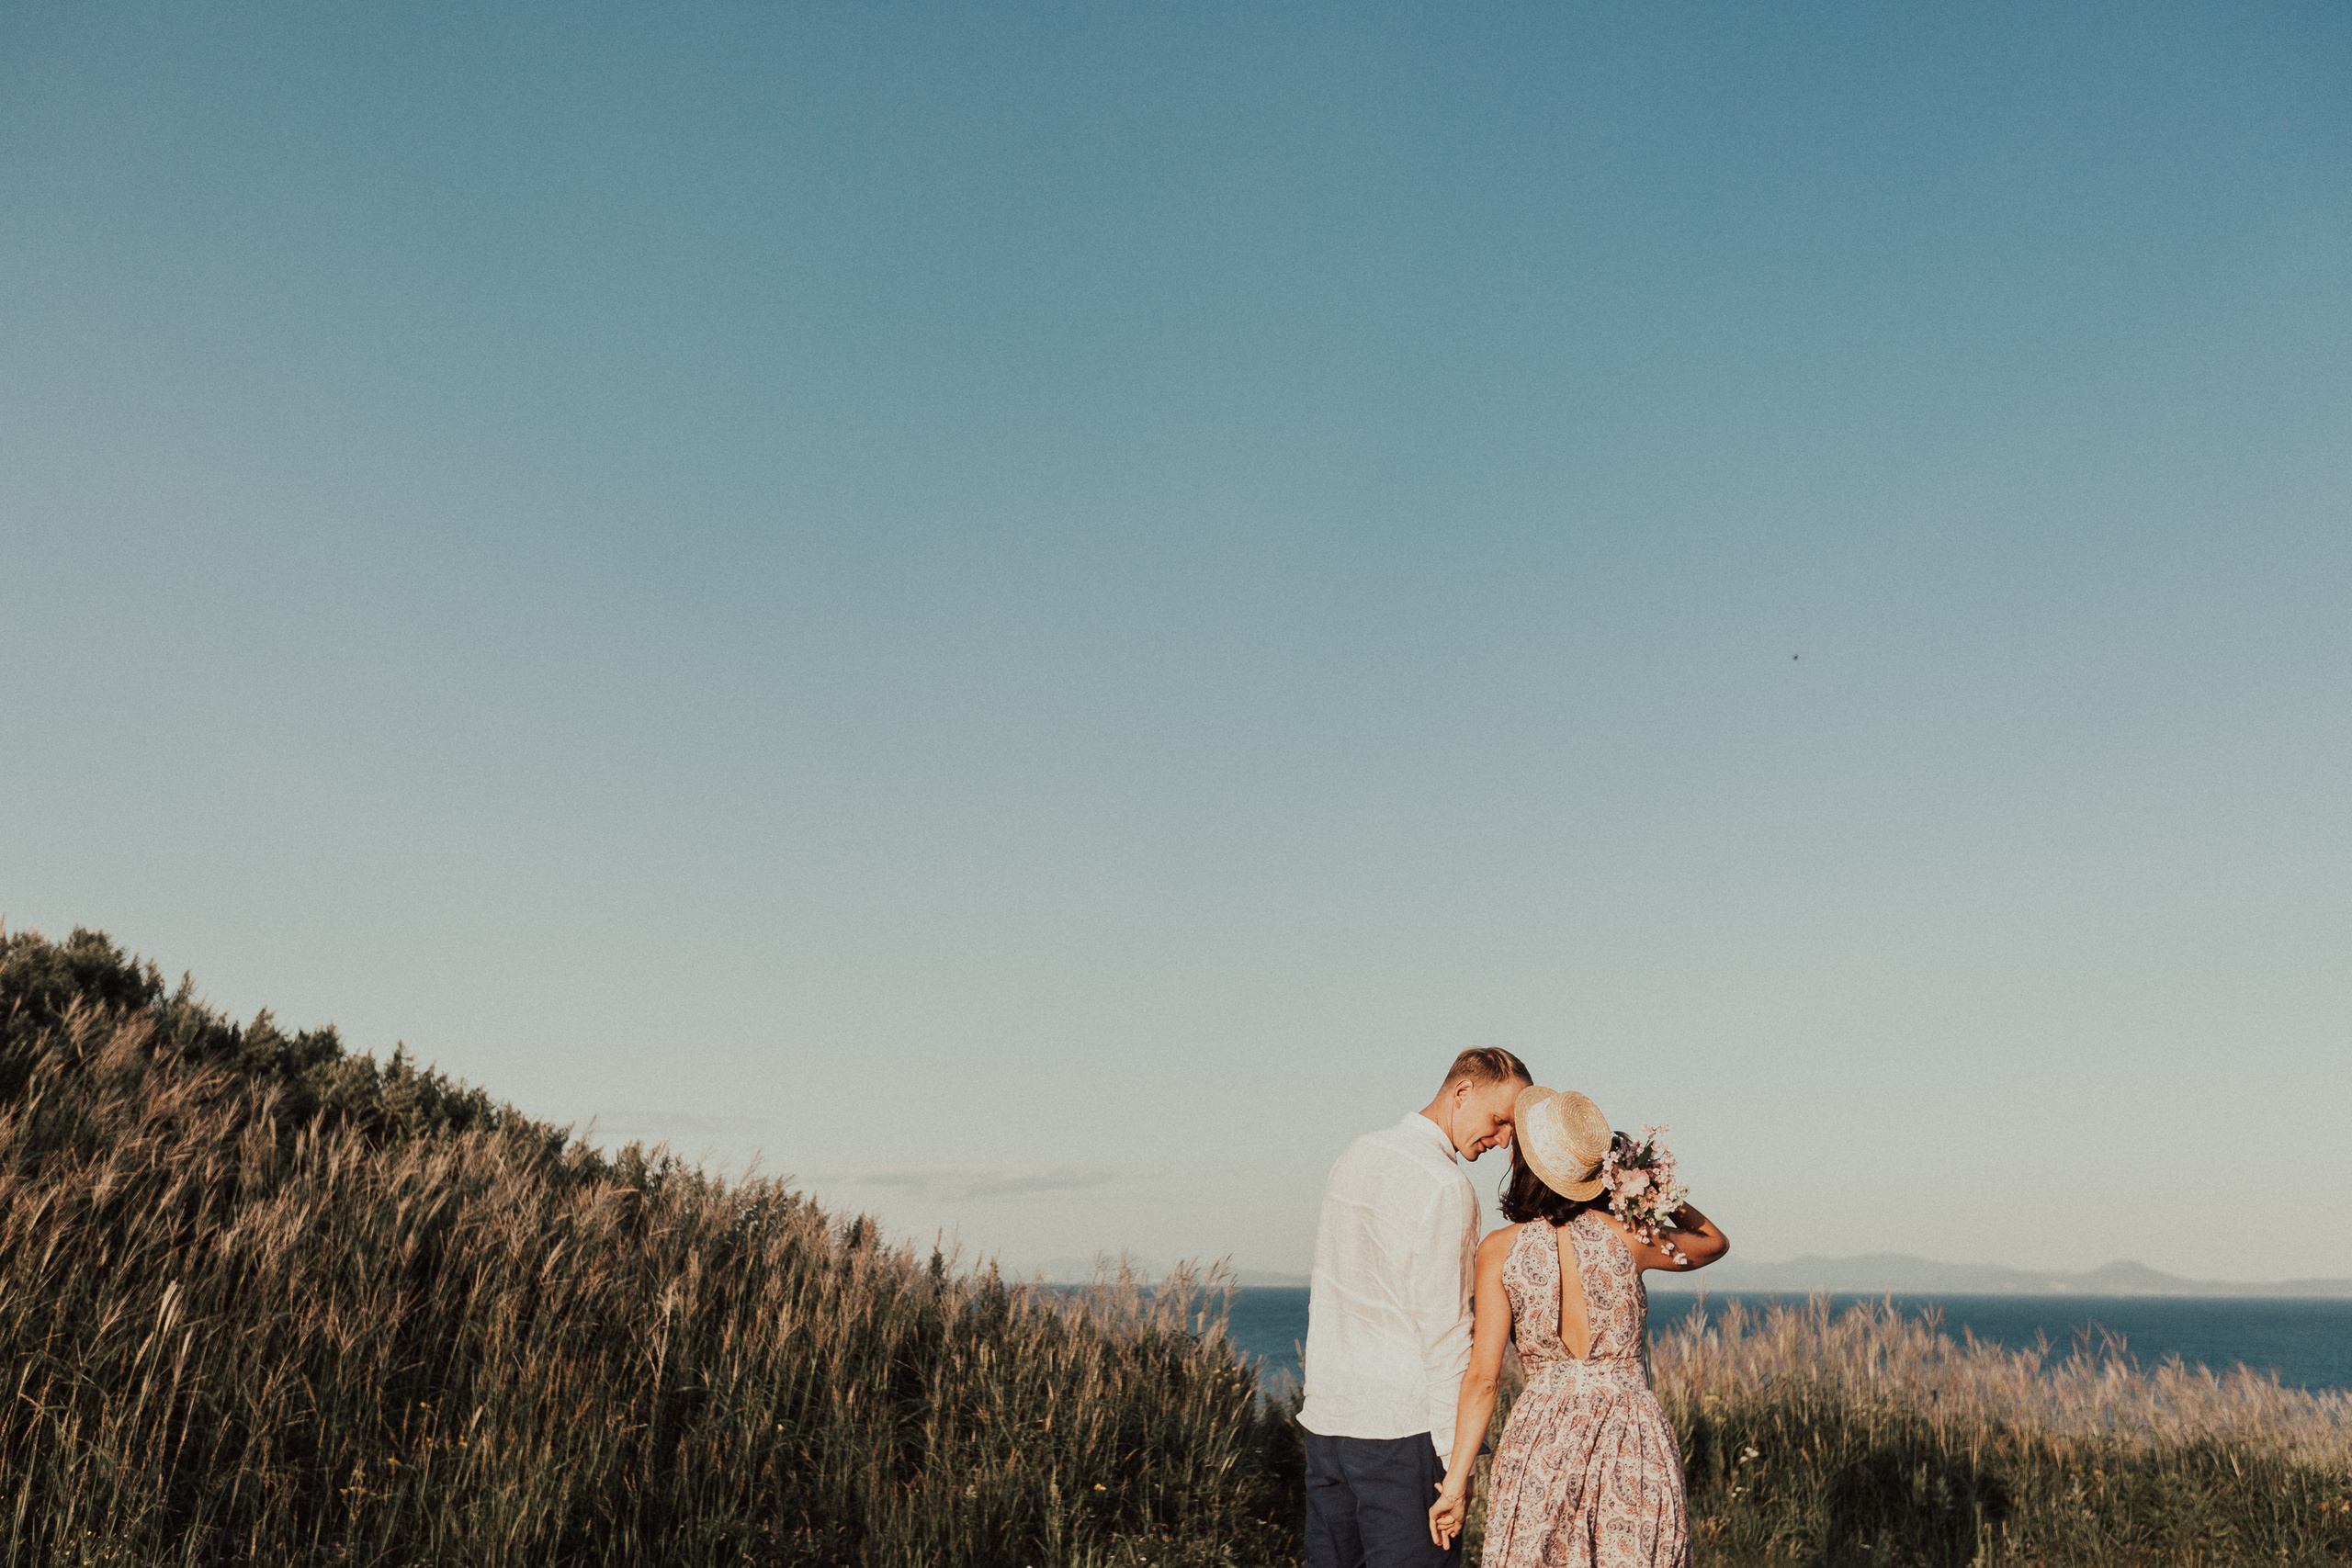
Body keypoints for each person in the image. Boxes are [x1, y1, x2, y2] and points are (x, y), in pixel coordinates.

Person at [1426, 1087, 1729, 1568]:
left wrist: (1456, 1486)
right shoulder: (1632, 1237)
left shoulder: (1499, 1251)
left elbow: (1483, 1379)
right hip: (1631, 1436)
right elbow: (1712, 1242)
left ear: (1527, 1163)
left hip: (1542, 1439)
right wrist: (1649, 1186)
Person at [1299, 1047, 1533, 1568]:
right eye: (1499, 1121)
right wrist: (1457, 1470)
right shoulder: (1446, 1187)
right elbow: (1447, 1336)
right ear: (1462, 1091)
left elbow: (1329, 1288)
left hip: (1328, 1423)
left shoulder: (1355, 1154)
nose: (1501, 1141)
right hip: (1401, 1436)